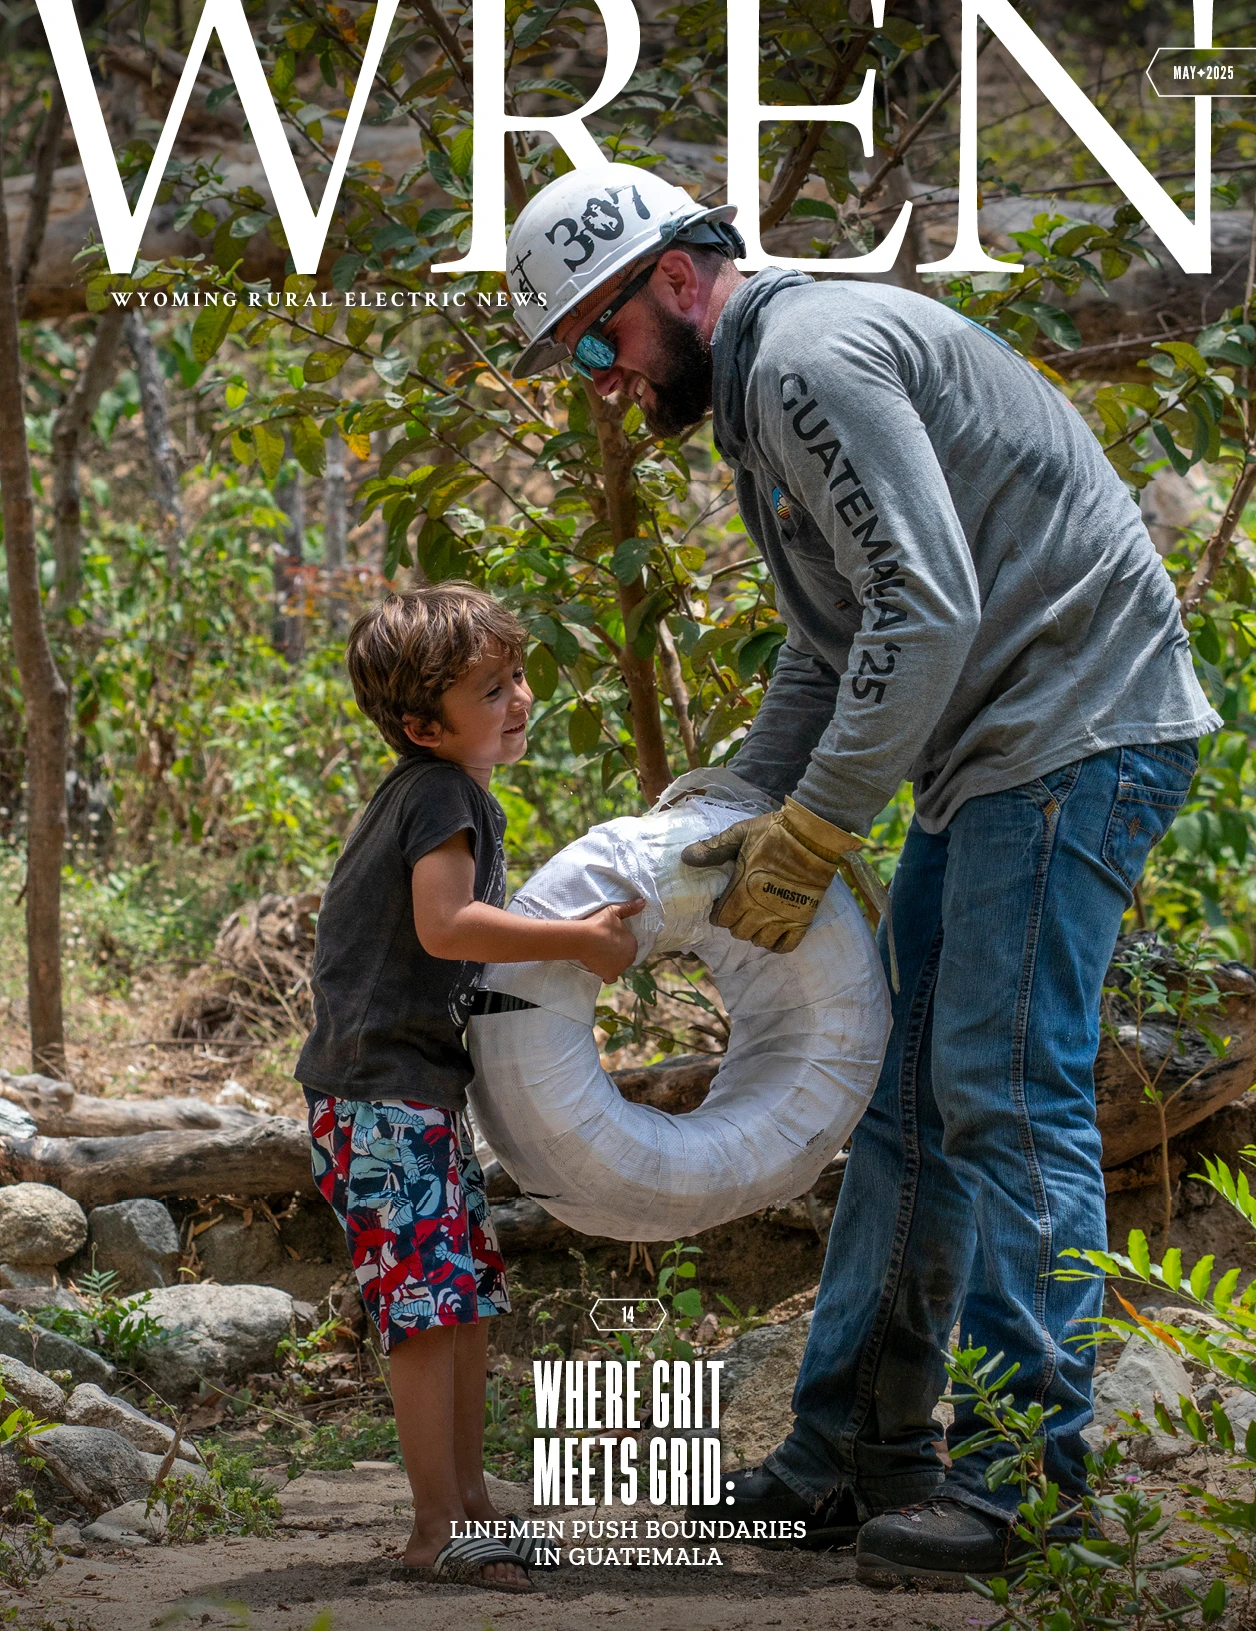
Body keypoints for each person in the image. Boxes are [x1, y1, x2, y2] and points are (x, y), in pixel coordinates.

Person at [505, 162, 1221, 1587]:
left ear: (673, 275)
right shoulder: (768, 391)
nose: (597, 380)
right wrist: (729, 802)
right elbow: (834, 640)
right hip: (1000, 751)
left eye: (598, 339)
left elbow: (927, 603)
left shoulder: (813, 360)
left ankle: (1030, 1483)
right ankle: (849, 1454)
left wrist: (819, 825)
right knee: (904, 1104)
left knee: (1004, 1097)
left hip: (1073, 734)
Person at [294, 584, 643, 1594]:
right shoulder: (438, 795)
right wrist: (578, 940)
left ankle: (468, 1503)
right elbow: (448, 927)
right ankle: (434, 1522)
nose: (520, 698)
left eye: (516, 675)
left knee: (463, 1298)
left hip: (407, 1091)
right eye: (492, 688)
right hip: (379, 1095)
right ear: (421, 725)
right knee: (425, 1305)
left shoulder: (440, 794)